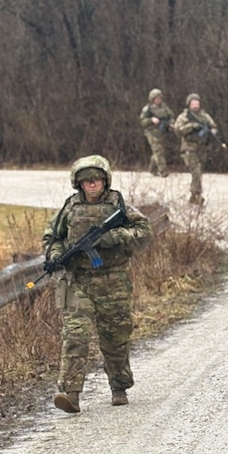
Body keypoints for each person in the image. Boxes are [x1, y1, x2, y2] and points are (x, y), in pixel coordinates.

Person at [41, 155, 153, 413]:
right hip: (77, 281)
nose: (92, 185)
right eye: (86, 181)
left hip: (113, 280)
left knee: (115, 336)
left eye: (96, 180)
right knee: (75, 335)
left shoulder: (119, 206)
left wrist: (115, 237)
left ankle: (119, 386)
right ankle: (70, 394)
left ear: (105, 181)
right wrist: (56, 255)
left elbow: (145, 233)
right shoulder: (69, 208)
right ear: (78, 184)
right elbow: (52, 238)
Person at [173, 92, 225, 206]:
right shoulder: (184, 116)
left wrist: (212, 132)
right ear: (189, 104)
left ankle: (193, 195)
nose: (196, 105)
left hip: (201, 148)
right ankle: (197, 195)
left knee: (199, 172)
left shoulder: (204, 116)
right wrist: (191, 126)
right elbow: (177, 130)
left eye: (197, 102)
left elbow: (213, 127)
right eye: (193, 103)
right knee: (196, 171)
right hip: (189, 147)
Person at [139, 88, 175, 177]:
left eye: (160, 98)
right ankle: (163, 171)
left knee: (158, 151)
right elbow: (142, 121)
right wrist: (151, 120)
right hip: (151, 132)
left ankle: (152, 169)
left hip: (162, 133)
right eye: (156, 98)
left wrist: (171, 123)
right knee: (159, 151)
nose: (158, 100)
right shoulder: (148, 109)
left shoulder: (165, 108)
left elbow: (171, 116)